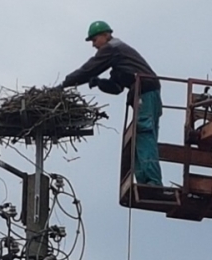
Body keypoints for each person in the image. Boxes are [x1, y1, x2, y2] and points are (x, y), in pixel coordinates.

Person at [60, 21, 163, 186]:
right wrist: (100, 83)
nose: (93, 45)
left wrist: (65, 84)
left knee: (144, 132)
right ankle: (144, 181)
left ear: (106, 35)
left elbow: (88, 69)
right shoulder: (121, 59)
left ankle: (152, 181)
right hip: (145, 93)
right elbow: (116, 88)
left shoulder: (113, 48)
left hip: (146, 92)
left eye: (94, 40)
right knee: (139, 136)